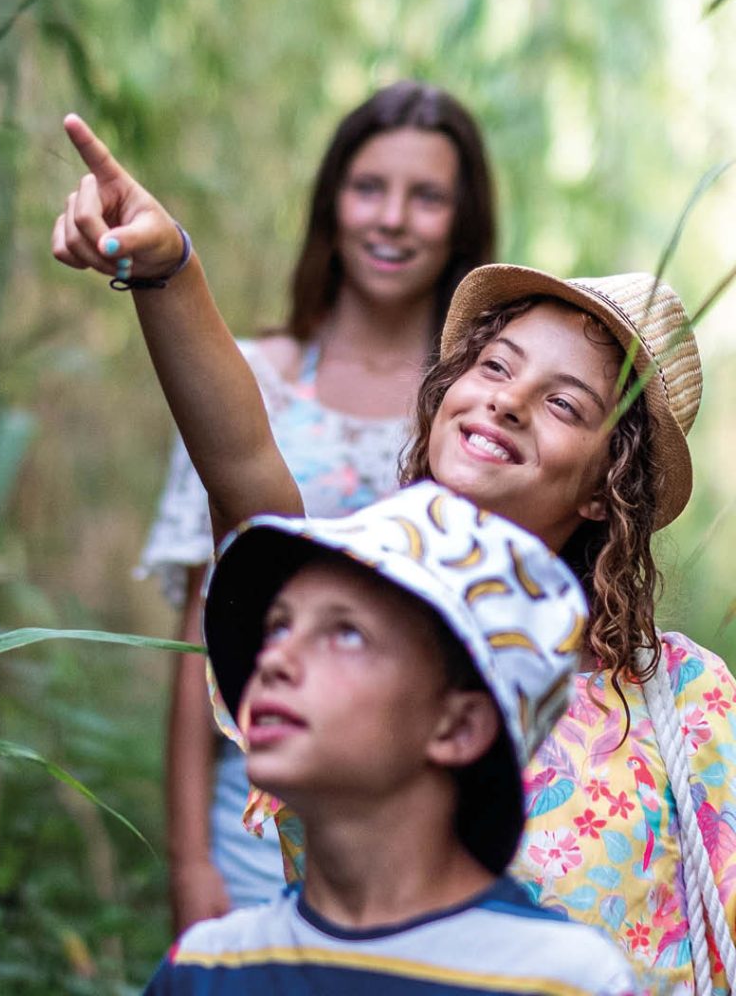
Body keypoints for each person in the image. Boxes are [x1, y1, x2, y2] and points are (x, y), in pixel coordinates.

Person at [50, 115, 736, 995]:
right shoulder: (350, 609)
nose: (509, 403)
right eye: (494, 366)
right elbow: (242, 465)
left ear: (610, 486)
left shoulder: (683, 699)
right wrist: (168, 269)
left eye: (565, 405)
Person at [136, 81, 496, 931]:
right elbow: (201, 634)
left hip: (424, 821)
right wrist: (191, 862)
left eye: (428, 196)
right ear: (332, 202)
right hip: (253, 805)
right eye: (370, 188)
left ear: (463, 221)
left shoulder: (481, 408)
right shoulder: (247, 382)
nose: (393, 219)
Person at [143, 480, 639, 994]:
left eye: (346, 633)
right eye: (278, 628)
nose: (272, 661)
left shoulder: (562, 979)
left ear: (458, 726)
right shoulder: (207, 969)